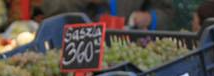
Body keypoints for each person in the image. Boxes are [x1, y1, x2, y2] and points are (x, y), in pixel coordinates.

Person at [38, 0, 175, 31]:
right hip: (78, 50)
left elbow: (166, 10)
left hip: (128, 49)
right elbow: (50, 7)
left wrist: (150, 18)